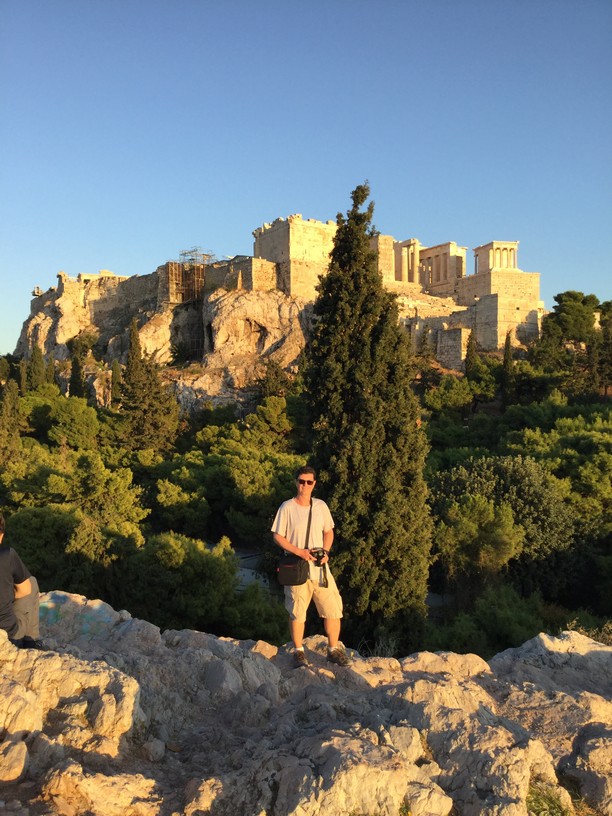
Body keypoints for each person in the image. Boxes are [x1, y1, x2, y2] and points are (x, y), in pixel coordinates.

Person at [272, 466, 350, 668]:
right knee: (297, 611)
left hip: (319, 568)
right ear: (296, 482)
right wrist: (299, 552)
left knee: (333, 609)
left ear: (314, 484)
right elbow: (277, 536)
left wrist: (326, 551)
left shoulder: (321, 506)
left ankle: (333, 649)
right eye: (301, 481)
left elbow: (329, 532)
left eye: (308, 482)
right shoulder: (287, 507)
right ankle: (298, 652)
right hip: (296, 567)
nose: (304, 485)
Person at [0, 512, 44, 649]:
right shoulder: (7, 555)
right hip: (8, 634)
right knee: (31, 582)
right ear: (1, 535)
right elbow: (25, 590)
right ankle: (32, 642)